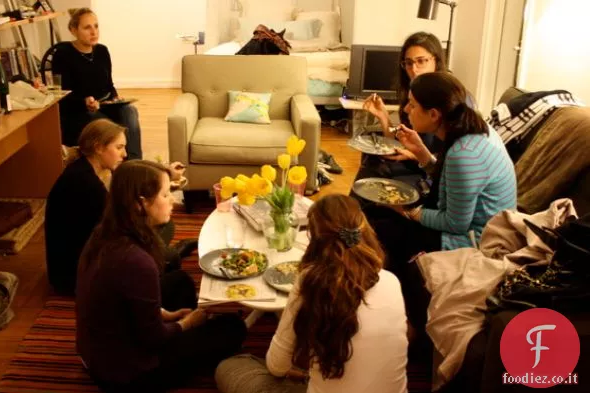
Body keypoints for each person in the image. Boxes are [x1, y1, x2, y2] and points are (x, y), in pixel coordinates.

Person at [76, 160, 246, 393]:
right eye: (165, 195)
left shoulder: (104, 233)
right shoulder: (136, 261)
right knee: (233, 328)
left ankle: (192, 337)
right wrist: (185, 324)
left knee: (180, 280)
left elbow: (124, 301)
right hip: (128, 374)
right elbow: (153, 338)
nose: (173, 201)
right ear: (140, 203)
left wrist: (166, 314)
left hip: (100, 348)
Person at [215, 194, 408, 393]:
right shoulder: (391, 281)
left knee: (230, 367)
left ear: (315, 240)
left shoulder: (310, 281)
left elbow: (276, 366)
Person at [370, 72, 517, 329]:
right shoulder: (470, 132)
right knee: (376, 211)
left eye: (413, 105)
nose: (406, 109)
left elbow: (456, 223)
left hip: (477, 239)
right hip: (463, 223)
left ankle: (398, 318)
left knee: (383, 228)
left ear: (434, 114)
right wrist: (422, 154)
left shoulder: (465, 153)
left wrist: (408, 212)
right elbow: (452, 183)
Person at [45, 119, 193, 295]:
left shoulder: (90, 169)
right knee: (161, 233)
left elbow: (131, 179)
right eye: (119, 147)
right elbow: (126, 222)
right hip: (76, 275)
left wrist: (165, 173)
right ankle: (167, 255)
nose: (124, 154)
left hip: (88, 256)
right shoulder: (85, 183)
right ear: (99, 147)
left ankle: (165, 255)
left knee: (164, 225)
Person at [351, 32, 448, 196]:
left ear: (436, 61)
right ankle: (351, 215)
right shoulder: (413, 91)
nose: (414, 69)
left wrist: (413, 155)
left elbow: (448, 163)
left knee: (374, 178)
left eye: (421, 61)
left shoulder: (448, 97)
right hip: (413, 161)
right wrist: (383, 116)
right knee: (371, 163)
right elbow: (398, 141)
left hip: (430, 173)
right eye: (408, 63)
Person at [52, 7, 142, 159]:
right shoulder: (63, 54)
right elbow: (60, 95)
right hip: (78, 112)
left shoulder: (102, 51)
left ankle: (133, 162)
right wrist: (84, 102)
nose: (94, 32)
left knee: (129, 111)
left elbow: (109, 85)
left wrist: (115, 99)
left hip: (104, 106)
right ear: (73, 30)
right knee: (108, 126)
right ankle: (122, 162)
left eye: (96, 26)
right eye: (87, 27)